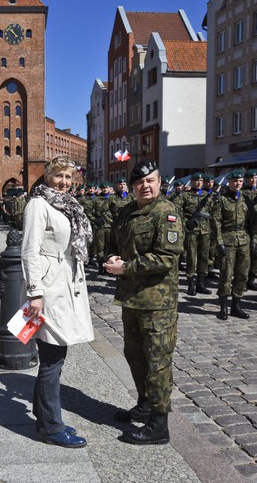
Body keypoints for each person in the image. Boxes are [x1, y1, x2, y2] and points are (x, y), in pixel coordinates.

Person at [104, 159, 183, 445]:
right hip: (132, 299)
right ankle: (145, 403)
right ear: (132, 187)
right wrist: (111, 256)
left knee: (158, 361)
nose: (145, 186)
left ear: (159, 183)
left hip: (157, 302)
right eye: (139, 183)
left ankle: (159, 424)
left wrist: (126, 267)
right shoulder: (126, 211)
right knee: (134, 355)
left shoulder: (167, 213)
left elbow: (167, 257)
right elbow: (113, 241)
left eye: (150, 181)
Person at [21, 156, 94, 448]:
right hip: (50, 289)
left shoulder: (68, 204)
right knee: (52, 359)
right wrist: (35, 293)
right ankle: (52, 427)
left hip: (67, 284)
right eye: (59, 176)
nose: (64, 182)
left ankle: (44, 416)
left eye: (68, 177)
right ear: (47, 176)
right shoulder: (39, 204)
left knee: (55, 357)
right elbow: (30, 250)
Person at [212, 171, 254, 320]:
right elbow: (216, 222)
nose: (238, 183)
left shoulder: (246, 199)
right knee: (226, 274)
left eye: (240, 181)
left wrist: (253, 240)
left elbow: (252, 221)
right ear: (229, 182)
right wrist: (219, 242)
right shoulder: (221, 200)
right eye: (235, 181)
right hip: (227, 240)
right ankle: (223, 307)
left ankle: (236, 305)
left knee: (242, 274)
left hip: (243, 240)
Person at [174, 173, 213, 295]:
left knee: (204, 257)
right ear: (191, 182)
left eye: (201, 180)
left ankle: (200, 283)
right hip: (192, 231)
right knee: (191, 256)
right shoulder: (185, 196)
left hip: (205, 230)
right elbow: (177, 210)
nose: (199, 183)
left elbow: (214, 213)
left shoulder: (208, 196)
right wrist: (186, 223)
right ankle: (191, 284)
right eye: (196, 180)